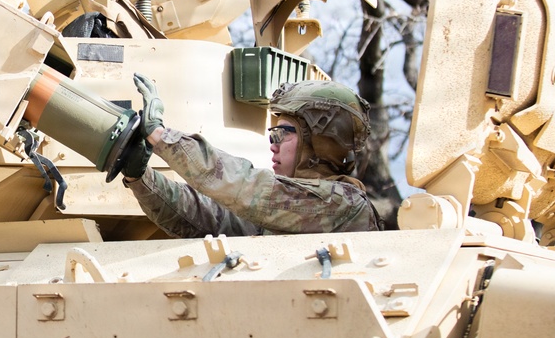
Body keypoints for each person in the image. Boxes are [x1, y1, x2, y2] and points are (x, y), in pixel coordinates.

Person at [118, 73, 381, 237]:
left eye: (281, 134)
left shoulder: (342, 204)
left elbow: (247, 186)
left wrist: (163, 137)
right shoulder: (281, 212)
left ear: (320, 141)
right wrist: (140, 178)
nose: (272, 145)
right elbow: (208, 217)